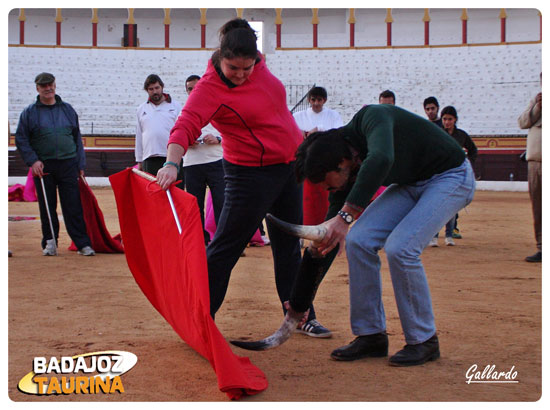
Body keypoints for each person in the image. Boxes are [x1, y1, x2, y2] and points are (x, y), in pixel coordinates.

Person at [156, 18, 331, 337]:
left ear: (257, 59)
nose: (240, 74)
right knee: (226, 246)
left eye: (246, 68)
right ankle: (197, 318)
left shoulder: (259, 64)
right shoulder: (209, 87)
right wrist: (171, 162)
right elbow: (186, 123)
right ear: (220, 57)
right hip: (250, 174)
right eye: (233, 67)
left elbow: (273, 112)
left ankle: (300, 314)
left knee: (289, 245)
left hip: (289, 166)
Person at [294, 104, 475, 366]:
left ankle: (424, 340)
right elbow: (330, 237)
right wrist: (302, 298)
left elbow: (381, 159)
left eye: (324, 181)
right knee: (358, 241)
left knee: (402, 248)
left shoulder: (372, 116)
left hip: (451, 176)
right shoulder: (347, 169)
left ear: (342, 163)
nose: (325, 188)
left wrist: (345, 218)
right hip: (410, 184)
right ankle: (371, 335)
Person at [15, 72, 95, 256]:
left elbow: (76, 138)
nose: (48, 88)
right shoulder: (29, 113)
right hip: (44, 166)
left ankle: (82, 243)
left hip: (68, 164)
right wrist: (33, 160)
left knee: (73, 205)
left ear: (55, 85)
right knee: (47, 205)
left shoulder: (67, 110)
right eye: (44, 86)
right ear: (37, 89)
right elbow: (21, 139)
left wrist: (80, 164)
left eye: (50, 84)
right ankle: (50, 242)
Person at [182, 74, 225, 246]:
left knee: (222, 203)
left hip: (216, 160)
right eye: (189, 89)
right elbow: (176, 135)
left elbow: (231, 133)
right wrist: (187, 140)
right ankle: (200, 242)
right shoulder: (182, 111)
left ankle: (224, 243)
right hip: (193, 163)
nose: (193, 91)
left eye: (195, 87)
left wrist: (218, 138)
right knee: (195, 205)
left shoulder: (218, 108)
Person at [293, 86, 344, 226]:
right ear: (309, 100)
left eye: (319, 100)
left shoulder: (333, 116)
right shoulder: (298, 117)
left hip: (326, 165)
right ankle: (302, 227)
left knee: (324, 200)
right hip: (304, 164)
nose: (316, 103)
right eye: (313, 99)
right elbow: (292, 135)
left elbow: (338, 133)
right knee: (303, 199)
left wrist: (318, 130)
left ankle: (326, 227)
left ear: (325, 100)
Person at [428, 105, 477, 247]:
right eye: (444, 119)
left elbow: (473, 151)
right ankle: (434, 236)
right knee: (437, 206)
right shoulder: (437, 134)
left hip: (456, 175)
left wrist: (469, 164)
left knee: (451, 207)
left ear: (455, 120)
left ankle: (449, 235)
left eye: (449, 119)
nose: (447, 122)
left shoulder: (462, 135)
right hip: (440, 174)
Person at [135, 74, 184, 188]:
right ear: (147, 90)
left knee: (176, 192)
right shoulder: (141, 109)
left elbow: (181, 131)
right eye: (151, 89)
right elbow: (139, 135)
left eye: (157, 88)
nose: (154, 91)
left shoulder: (175, 106)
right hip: (150, 157)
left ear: (162, 87)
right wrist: (139, 160)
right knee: (153, 194)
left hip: (172, 157)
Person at [518, 81, 542, 263]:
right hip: (534, 161)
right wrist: (537, 107)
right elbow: (522, 122)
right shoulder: (536, 100)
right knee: (538, 207)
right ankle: (542, 246)